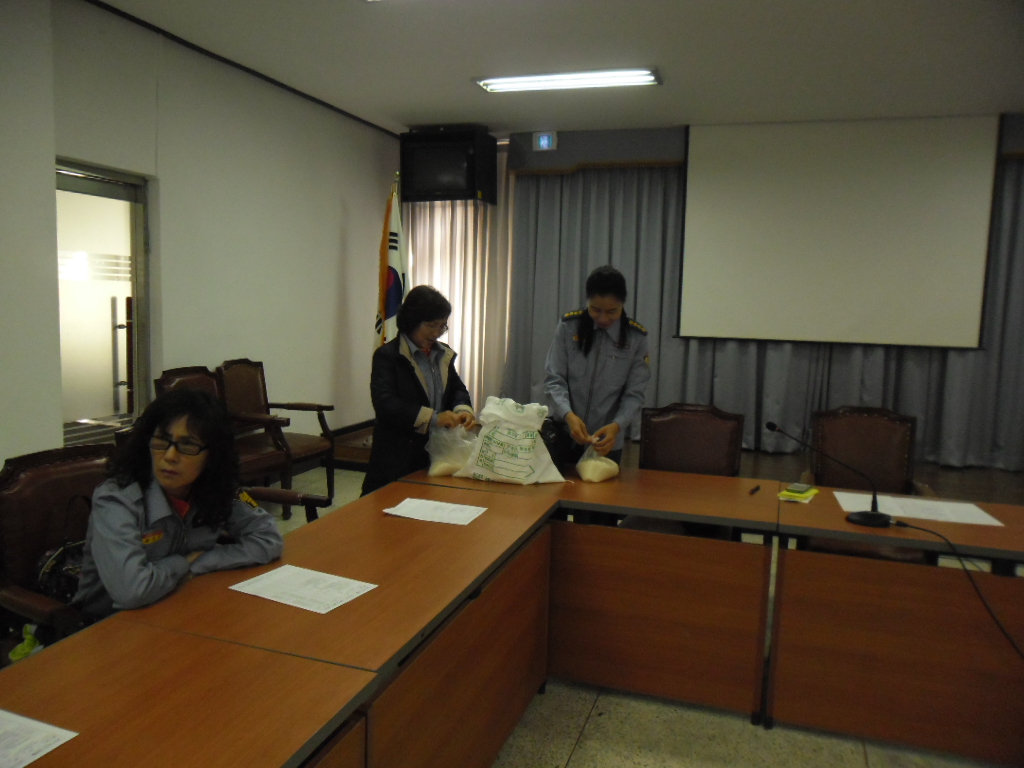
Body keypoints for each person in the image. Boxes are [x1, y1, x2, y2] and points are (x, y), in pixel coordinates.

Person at [71, 389, 284, 619]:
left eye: (188, 445)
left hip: (182, 604)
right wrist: (183, 563)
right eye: (162, 441)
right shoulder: (117, 499)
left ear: (212, 455)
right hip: (110, 623)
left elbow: (268, 539)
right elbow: (131, 591)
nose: (170, 456)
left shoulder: (217, 489)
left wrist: (202, 562)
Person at [362, 285, 476, 495]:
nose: (437, 333)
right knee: (387, 506)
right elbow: (385, 403)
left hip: (436, 452)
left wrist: (463, 409)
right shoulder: (388, 356)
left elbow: (456, 388)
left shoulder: (443, 354)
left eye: (442, 326)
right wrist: (433, 418)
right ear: (412, 320)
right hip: (397, 455)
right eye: (431, 325)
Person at [544, 265, 651, 465]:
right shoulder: (569, 327)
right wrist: (568, 415)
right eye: (596, 310)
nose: (603, 318)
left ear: (622, 305)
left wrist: (617, 426)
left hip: (606, 441)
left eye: (612, 311)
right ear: (588, 302)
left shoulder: (636, 338)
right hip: (564, 434)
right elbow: (554, 380)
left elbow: (634, 394)